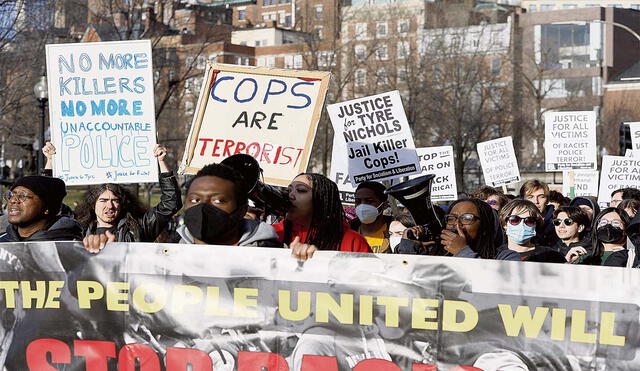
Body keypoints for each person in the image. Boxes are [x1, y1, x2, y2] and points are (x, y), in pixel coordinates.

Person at [49, 142, 182, 252]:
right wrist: (50, 161)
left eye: (115, 201)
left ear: (122, 204)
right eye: (103, 200)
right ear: (93, 204)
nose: (110, 206)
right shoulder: (76, 228)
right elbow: (46, 201)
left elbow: (171, 203)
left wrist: (162, 161)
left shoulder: (139, 228)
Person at [176, 163, 281, 247]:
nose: (203, 207)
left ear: (241, 211)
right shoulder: (170, 253)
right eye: (195, 200)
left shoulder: (272, 256)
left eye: (218, 200)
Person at [272, 173, 371, 259]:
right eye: (289, 190)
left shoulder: (353, 241)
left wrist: (319, 259)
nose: (290, 195)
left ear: (321, 200)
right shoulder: (272, 233)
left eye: (301, 190)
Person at [398, 198, 519, 260]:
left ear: (485, 227)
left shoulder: (506, 258)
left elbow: (495, 286)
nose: (457, 224)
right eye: (451, 218)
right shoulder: (437, 253)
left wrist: (462, 252)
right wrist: (410, 250)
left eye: (467, 218)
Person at [0, 176, 82, 242]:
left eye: (22, 196)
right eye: (11, 195)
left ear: (47, 207)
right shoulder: (3, 240)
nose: (12, 200)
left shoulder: (71, 245)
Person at [499, 199, 565, 262]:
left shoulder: (551, 256)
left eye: (529, 221)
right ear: (505, 224)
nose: (522, 225)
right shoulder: (495, 256)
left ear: (535, 224)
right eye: (514, 220)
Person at [350, 181, 392, 253]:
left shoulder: (396, 233)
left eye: (369, 201)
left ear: (384, 205)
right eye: (358, 201)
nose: (362, 206)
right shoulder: (346, 231)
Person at [519, 180, 555, 245]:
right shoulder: (517, 222)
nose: (536, 201)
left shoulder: (557, 220)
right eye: (530, 197)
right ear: (523, 200)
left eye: (541, 197)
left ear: (547, 200)